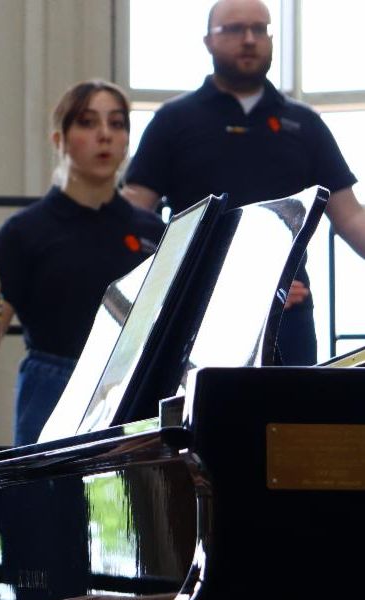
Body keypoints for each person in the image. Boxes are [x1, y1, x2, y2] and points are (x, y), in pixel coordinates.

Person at [123, 0, 365, 365]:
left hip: (286, 310)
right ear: (207, 41)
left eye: (260, 29)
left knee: (292, 420)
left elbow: (350, 218)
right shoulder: (173, 121)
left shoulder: (305, 123)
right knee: (203, 421)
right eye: (235, 29)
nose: (249, 39)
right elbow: (131, 215)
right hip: (196, 313)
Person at [0, 80, 164, 446]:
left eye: (117, 123)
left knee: (134, 502)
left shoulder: (153, 231)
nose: (105, 135)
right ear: (59, 140)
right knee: (50, 503)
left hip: (134, 386)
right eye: (88, 122)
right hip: (54, 389)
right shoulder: (26, 231)